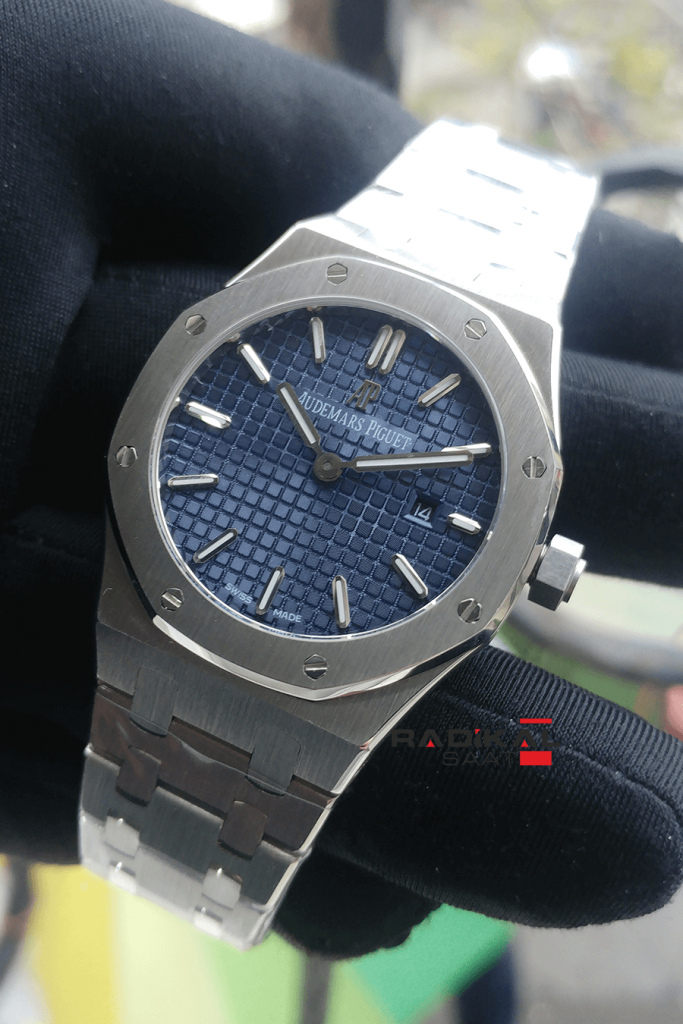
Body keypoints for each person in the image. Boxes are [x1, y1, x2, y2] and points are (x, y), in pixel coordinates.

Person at [1, 0, 682, 959]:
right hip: (173, 563)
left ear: (540, 563)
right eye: (328, 459)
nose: (329, 465)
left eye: (339, 463)